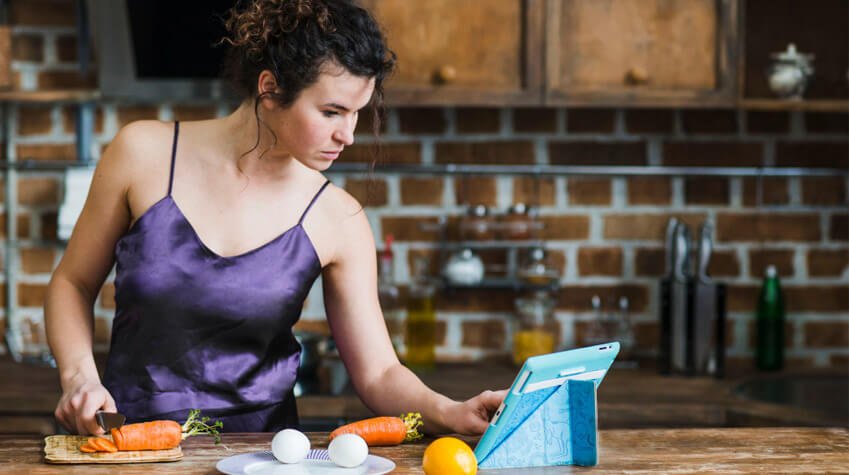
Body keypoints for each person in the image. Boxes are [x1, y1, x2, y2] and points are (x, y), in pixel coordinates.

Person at [44, 0, 507, 436]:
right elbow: (73, 282)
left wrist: (450, 410)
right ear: (270, 89)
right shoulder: (142, 153)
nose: (347, 134)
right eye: (331, 111)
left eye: (357, 114)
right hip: (130, 446)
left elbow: (379, 373)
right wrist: (79, 377)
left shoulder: (338, 217)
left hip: (266, 457)